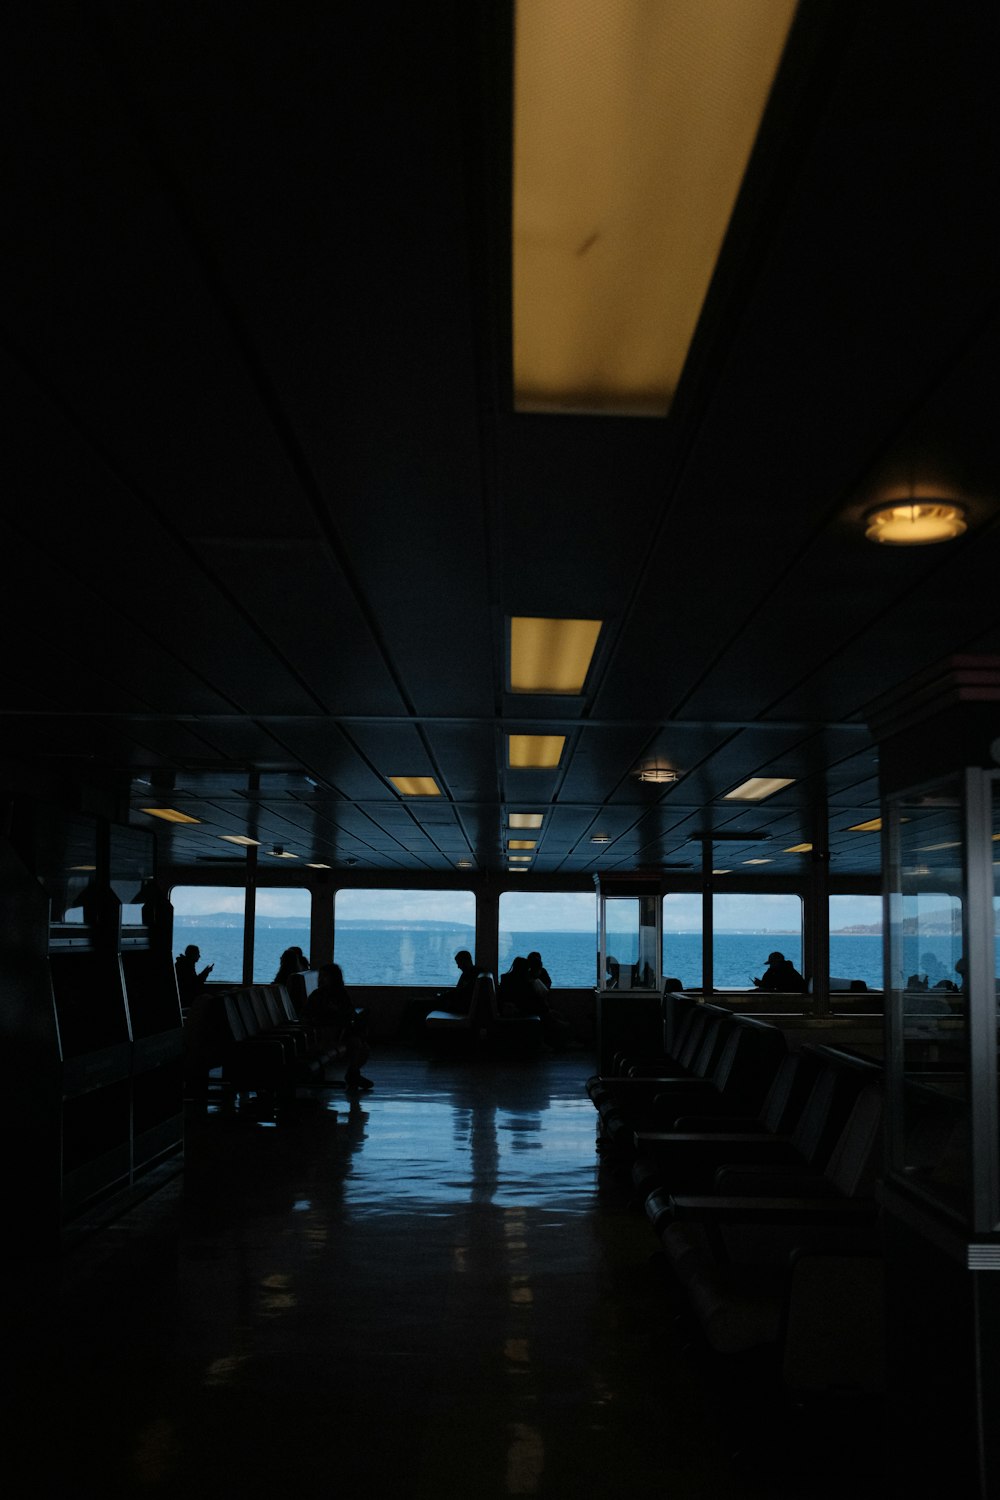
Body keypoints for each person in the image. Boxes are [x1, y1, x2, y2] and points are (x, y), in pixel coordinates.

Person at [305, 962, 373, 1091]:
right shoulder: (317, 995)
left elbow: (350, 1011)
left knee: (364, 1049)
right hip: (325, 1032)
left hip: (339, 1031)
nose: (321, 979)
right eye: (321, 976)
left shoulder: (341, 994)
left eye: (325, 976)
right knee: (357, 1045)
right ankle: (353, 1075)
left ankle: (353, 1074)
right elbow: (308, 1016)